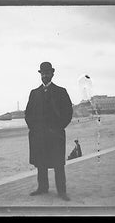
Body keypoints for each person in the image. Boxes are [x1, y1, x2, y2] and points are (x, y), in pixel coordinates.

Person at [25, 62, 73, 201]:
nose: (45, 75)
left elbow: (68, 112)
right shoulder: (34, 93)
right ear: (40, 74)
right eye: (43, 73)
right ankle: (42, 188)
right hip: (39, 135)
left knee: (58, 164)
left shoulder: (61, 91)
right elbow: (28, 114)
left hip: (55, 135)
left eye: (47, 73)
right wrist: (33, 129)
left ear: (52, 73)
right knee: (41, 163)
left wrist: (59, 128)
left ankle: (62, 191)